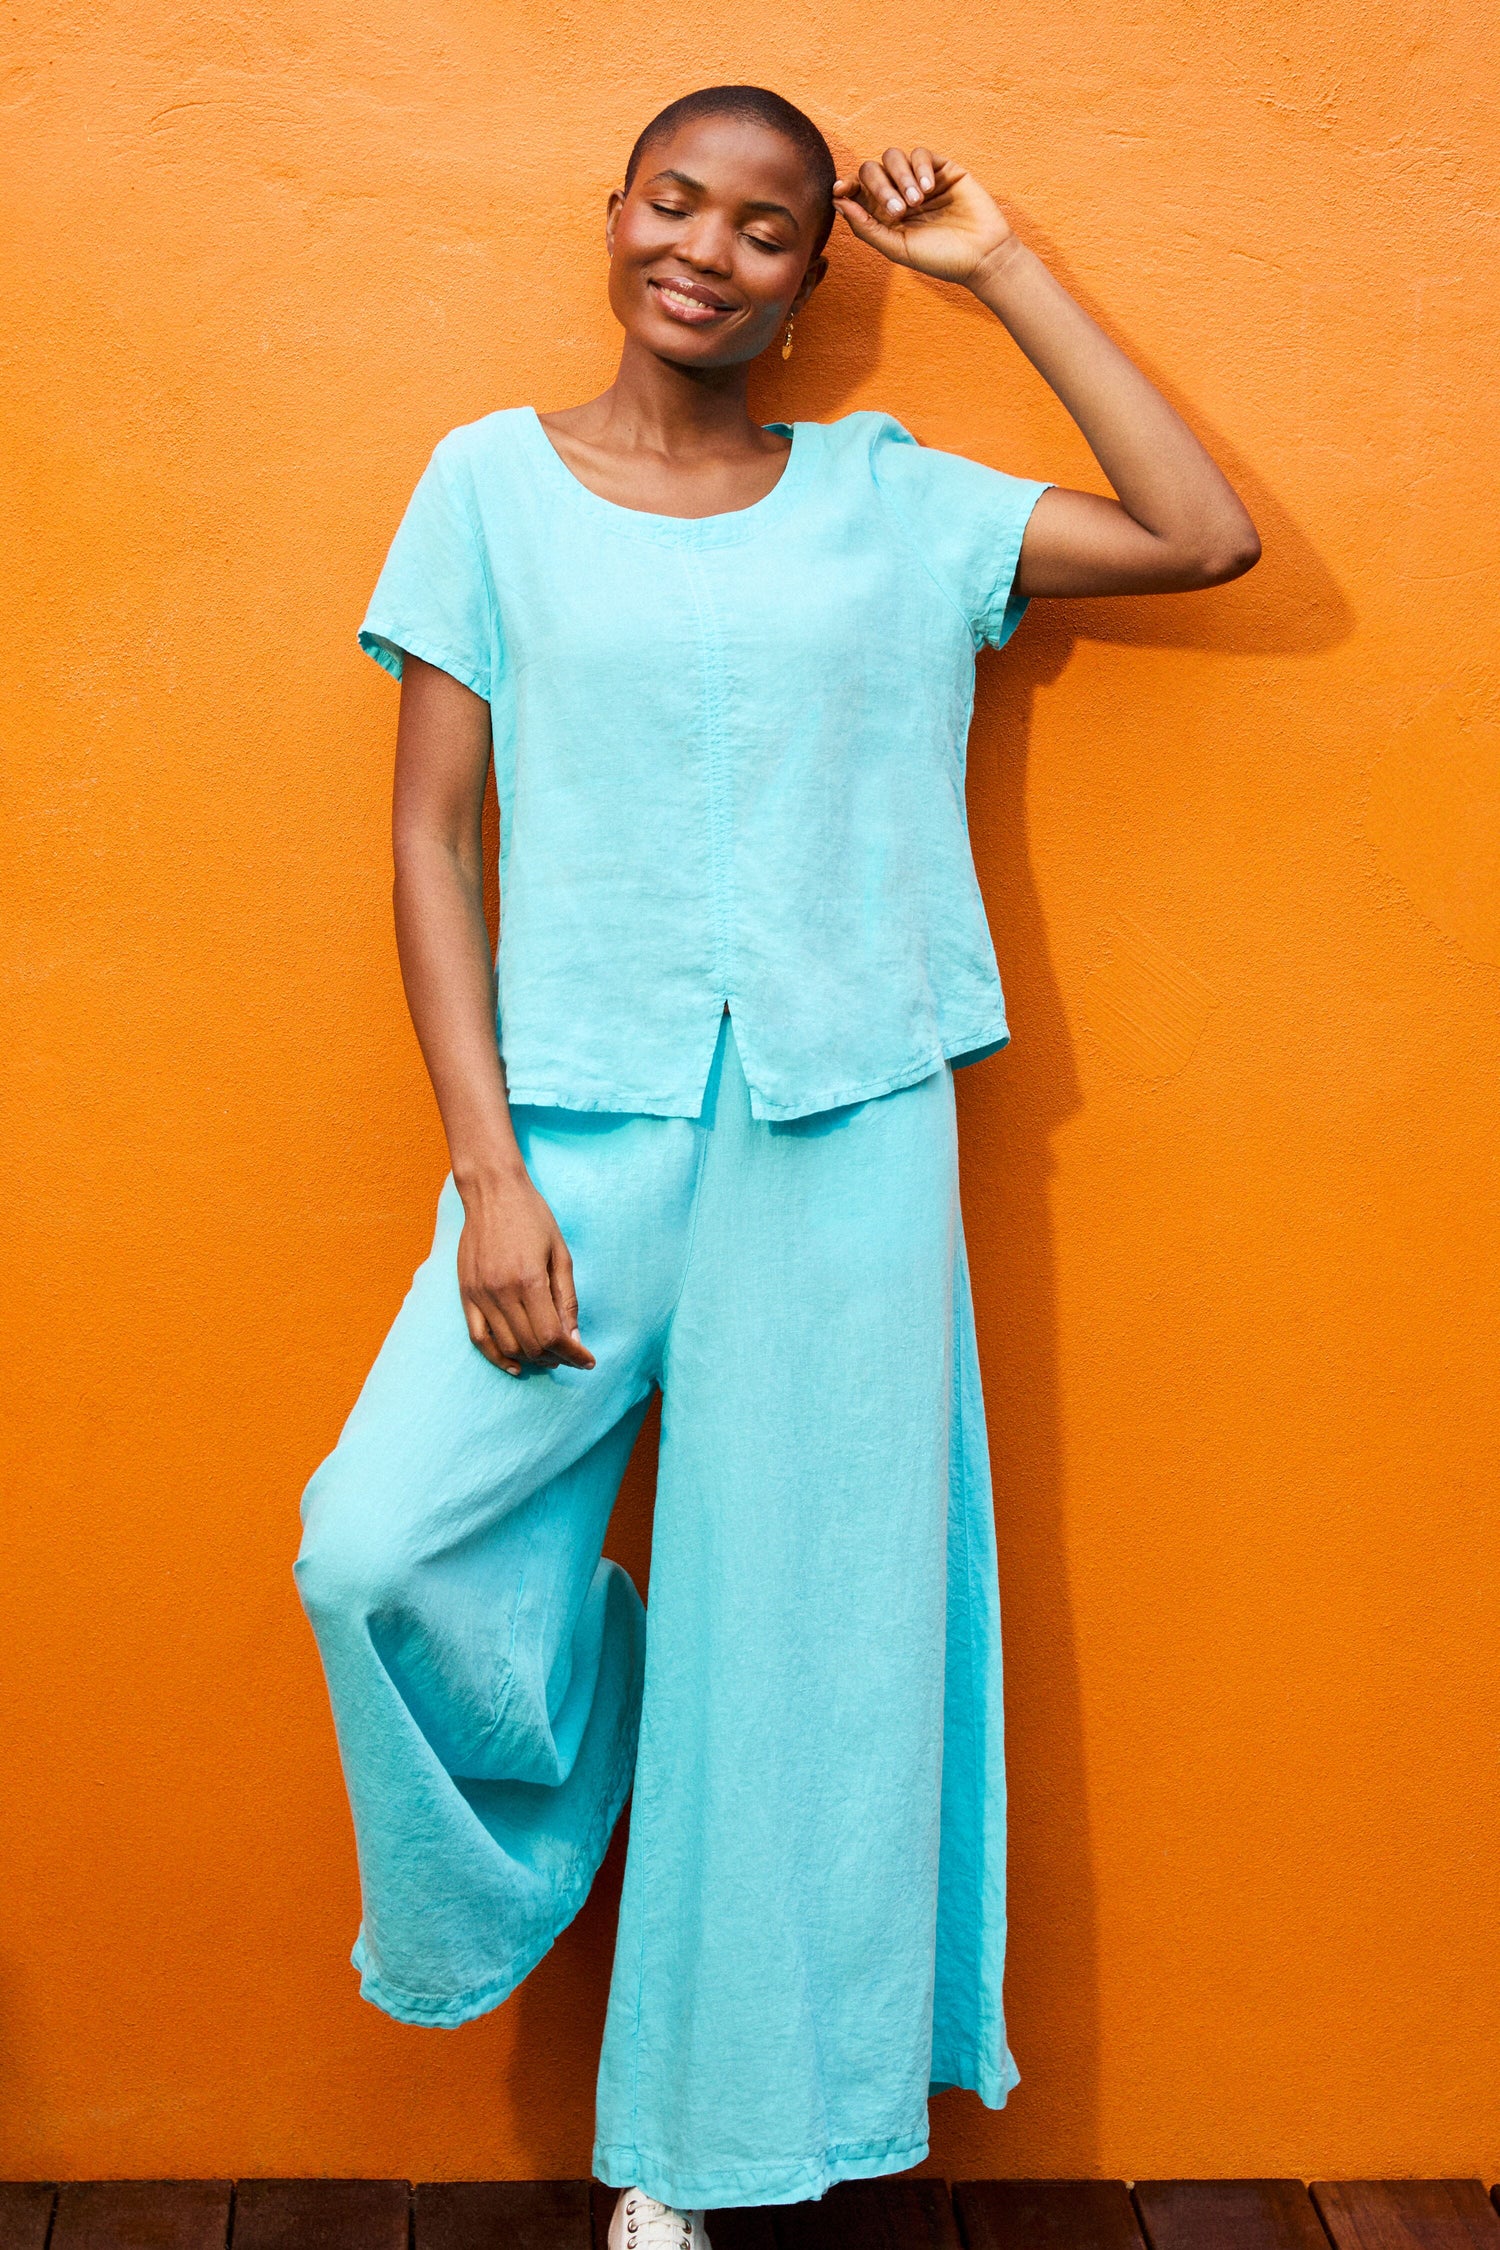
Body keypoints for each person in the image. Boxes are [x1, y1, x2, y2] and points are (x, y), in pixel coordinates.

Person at [294, 81, 1258, 2247]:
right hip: (579, 1130)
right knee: (375, 1548)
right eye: (675, 204)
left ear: (815, 279)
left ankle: (690, 2170)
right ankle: (609, 1714)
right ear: (614, 210)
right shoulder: (486, 488)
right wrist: (489, 1176)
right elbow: (429, 841)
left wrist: (1001, 267)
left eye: (763, 231)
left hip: (848, 1120)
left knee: (808, 1640)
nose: (706, 253)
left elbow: (1204, 535)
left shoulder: (895, 503)